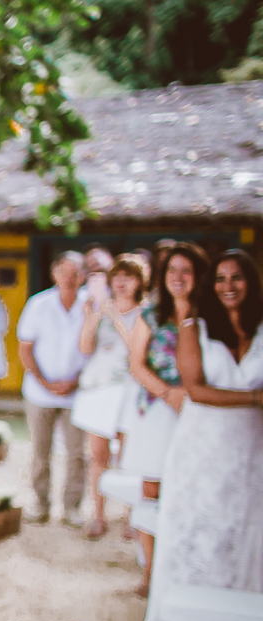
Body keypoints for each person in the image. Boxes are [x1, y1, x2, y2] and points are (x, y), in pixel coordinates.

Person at [144, 249, 263, 621]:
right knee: (199, 524)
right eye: (220, 279)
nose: (228, 286)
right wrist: (255, 400)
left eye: (237, 278)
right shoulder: (196, 325)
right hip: (203, 444)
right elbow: (195, 388)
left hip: (251, 447)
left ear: (252, 282)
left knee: (244, 526)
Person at [124, 242, 204, 597]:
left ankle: (186, 569)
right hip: (158, 409)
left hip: (200, 410)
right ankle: (151, 571)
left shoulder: (207, 316)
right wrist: (168, 393)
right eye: (172, 271)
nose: (178, 278)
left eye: (186, 271)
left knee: (190, 491)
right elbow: (136, 364)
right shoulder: (151, 316)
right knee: (152, 489)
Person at [71, 254, 145, 539]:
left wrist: (115, 316)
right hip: (99, 390)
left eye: (129, 277)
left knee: (129, 457)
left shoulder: (144, 313)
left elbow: (136, 349)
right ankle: (98, 515)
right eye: (117, 277)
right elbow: (85, 347)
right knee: (98, 456)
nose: (122, 282)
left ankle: (130, 517)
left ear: (139, 281)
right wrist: (92, 318)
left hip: (129, 391)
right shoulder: (100, 310)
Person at [17, 251, 88, 526]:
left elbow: (95, 350)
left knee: (76, 454)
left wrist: (76, 381)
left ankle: (72, 507)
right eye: (64, 272)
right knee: (40, 451)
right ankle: (39, 503)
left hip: (77, 392)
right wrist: (44, 381)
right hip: (39, 391)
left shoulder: (91, 306)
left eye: (75, 273)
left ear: (83, 276)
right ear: (54, 274)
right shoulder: (38, 305)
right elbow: (25, 348)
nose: (69, 279)